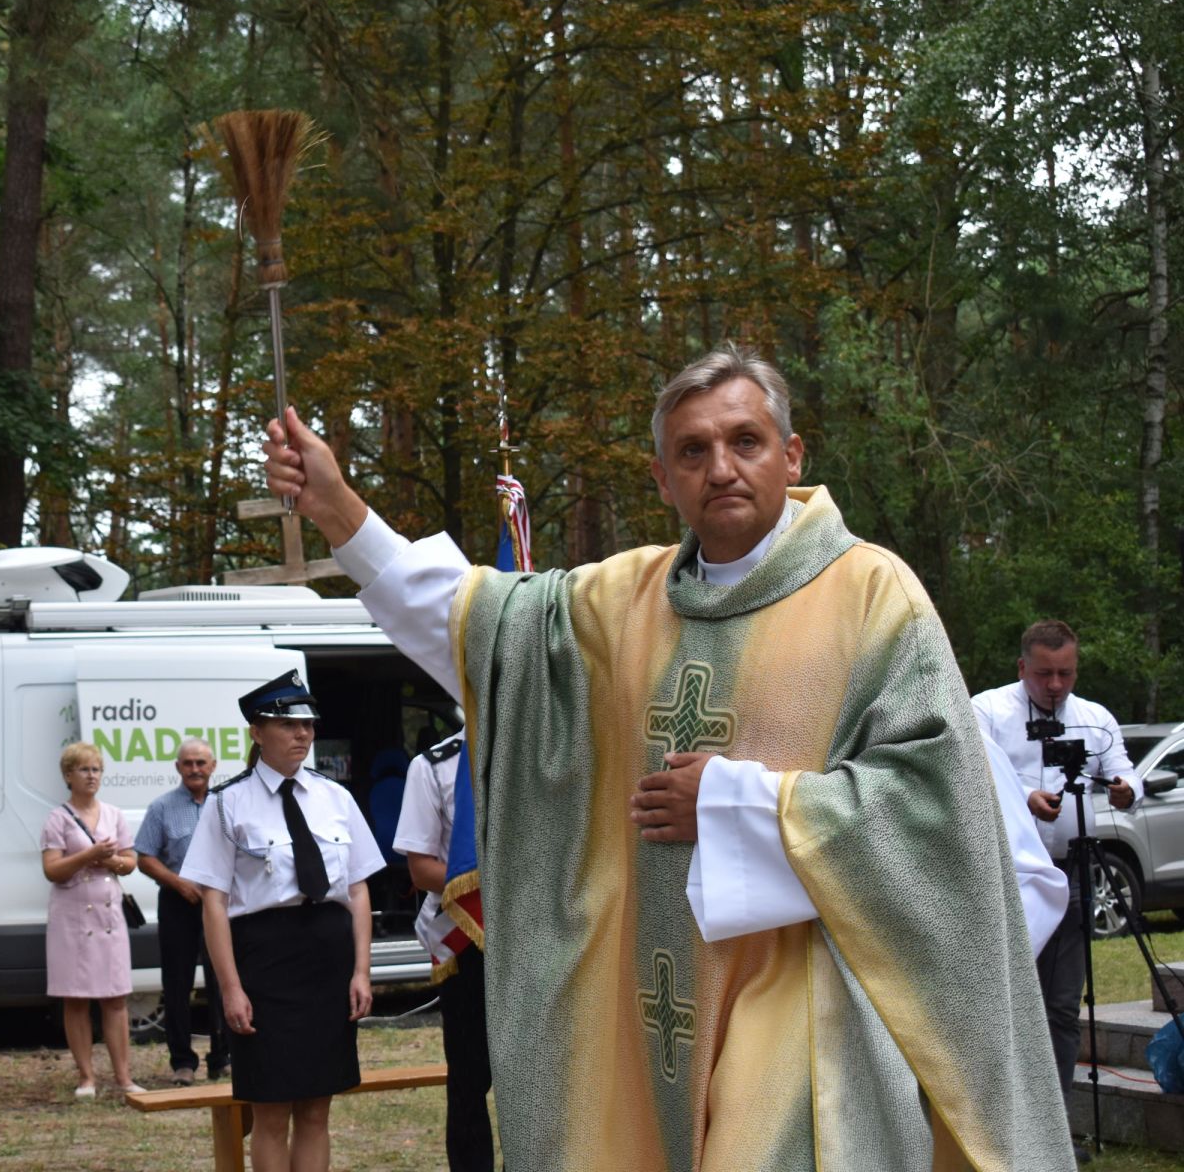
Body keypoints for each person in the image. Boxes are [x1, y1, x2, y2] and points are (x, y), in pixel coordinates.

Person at [263, 343, 1074, 1170]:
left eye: (745, 441)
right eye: (692, 451)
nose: (720, 468)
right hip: (650, 998)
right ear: (662, 478)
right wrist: (339, 510)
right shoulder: (620, 604)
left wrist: (732, 803)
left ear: (792, 455)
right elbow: (475, 627)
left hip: (806, 1006)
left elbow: (940, 807)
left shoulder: (872, 595)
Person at [179, 672, 385, 1172]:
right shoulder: (228, 803)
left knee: (316, 1107)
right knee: (270, 1110)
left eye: (308, 725)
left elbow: (358, 889)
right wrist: (230, 989)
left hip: (328, 960)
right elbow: (213, 903)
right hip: (264, 963)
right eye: (288, 725)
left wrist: (362, 971)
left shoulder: (335, 797)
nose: (302, 734)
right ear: (257, 732)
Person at [973, 619, 1140, 1154]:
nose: (1055, 685)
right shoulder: (986, 712)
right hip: (1006, 875)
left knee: (1063, 1006)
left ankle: (1056, 1132)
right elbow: (969, 776)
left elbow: (1124, 771)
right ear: (1022, 667)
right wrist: (1024, 797)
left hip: (1072, 870)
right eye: (1044, 674)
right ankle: (998, 1129)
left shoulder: (1094, 718)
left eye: (1066, 673)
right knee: (1001, 1002)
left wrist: (1126, 790)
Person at [393, 733, 493, 1172]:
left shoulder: (541, 749)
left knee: (537, 1079)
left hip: (536, 937)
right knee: (469, 1082)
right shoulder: (433, 766)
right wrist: (503, 888)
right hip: (467, 940)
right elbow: (421, 868)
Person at [40, 741, 140, 1097]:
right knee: (76, 997)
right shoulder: (57, 818)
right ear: (68, 775)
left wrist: (111, 861)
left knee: (115, 997)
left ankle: (124, 1077)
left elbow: (130, 862)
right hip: (71, 917)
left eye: (96, 769)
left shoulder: (113, 814)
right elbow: (51, 869)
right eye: (84, 769)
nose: (91, 776)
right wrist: (87, 856)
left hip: (108, 913)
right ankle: (86, 1077)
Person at [133, 737, 230, 1086]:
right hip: (178, 902)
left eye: (201, 763)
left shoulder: (225, 804)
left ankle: (223, 1058)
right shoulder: (161, 807)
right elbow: (144, 857)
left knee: (224, 980)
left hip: (218, 903)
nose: (195, 769)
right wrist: (178, 883)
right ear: (178, 768)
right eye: (188, 763)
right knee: (177, 985)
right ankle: (183, 1063)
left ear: (213, 766)